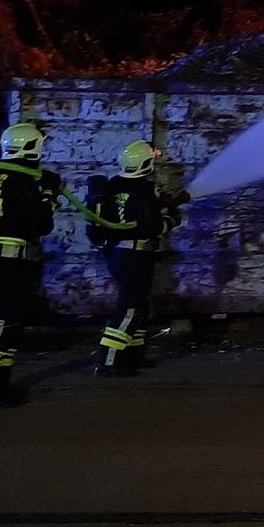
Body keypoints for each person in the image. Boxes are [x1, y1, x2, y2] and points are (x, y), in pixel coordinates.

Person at [0, 122, 62, 409]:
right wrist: (49, 195)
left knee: (8, 320)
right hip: (7, 259)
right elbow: (42, 222)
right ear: (33, 146)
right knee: (0, 321)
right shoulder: (19, 181)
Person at [86, 139, 185, 377]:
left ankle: (131, 357)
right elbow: (150, 227)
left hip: (118, 252)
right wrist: (172, 220)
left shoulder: (114, 186)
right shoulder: (143, 190)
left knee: (138, 305)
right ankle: (108, 360)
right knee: (130, 306)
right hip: (134, 253)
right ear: (146, 163)